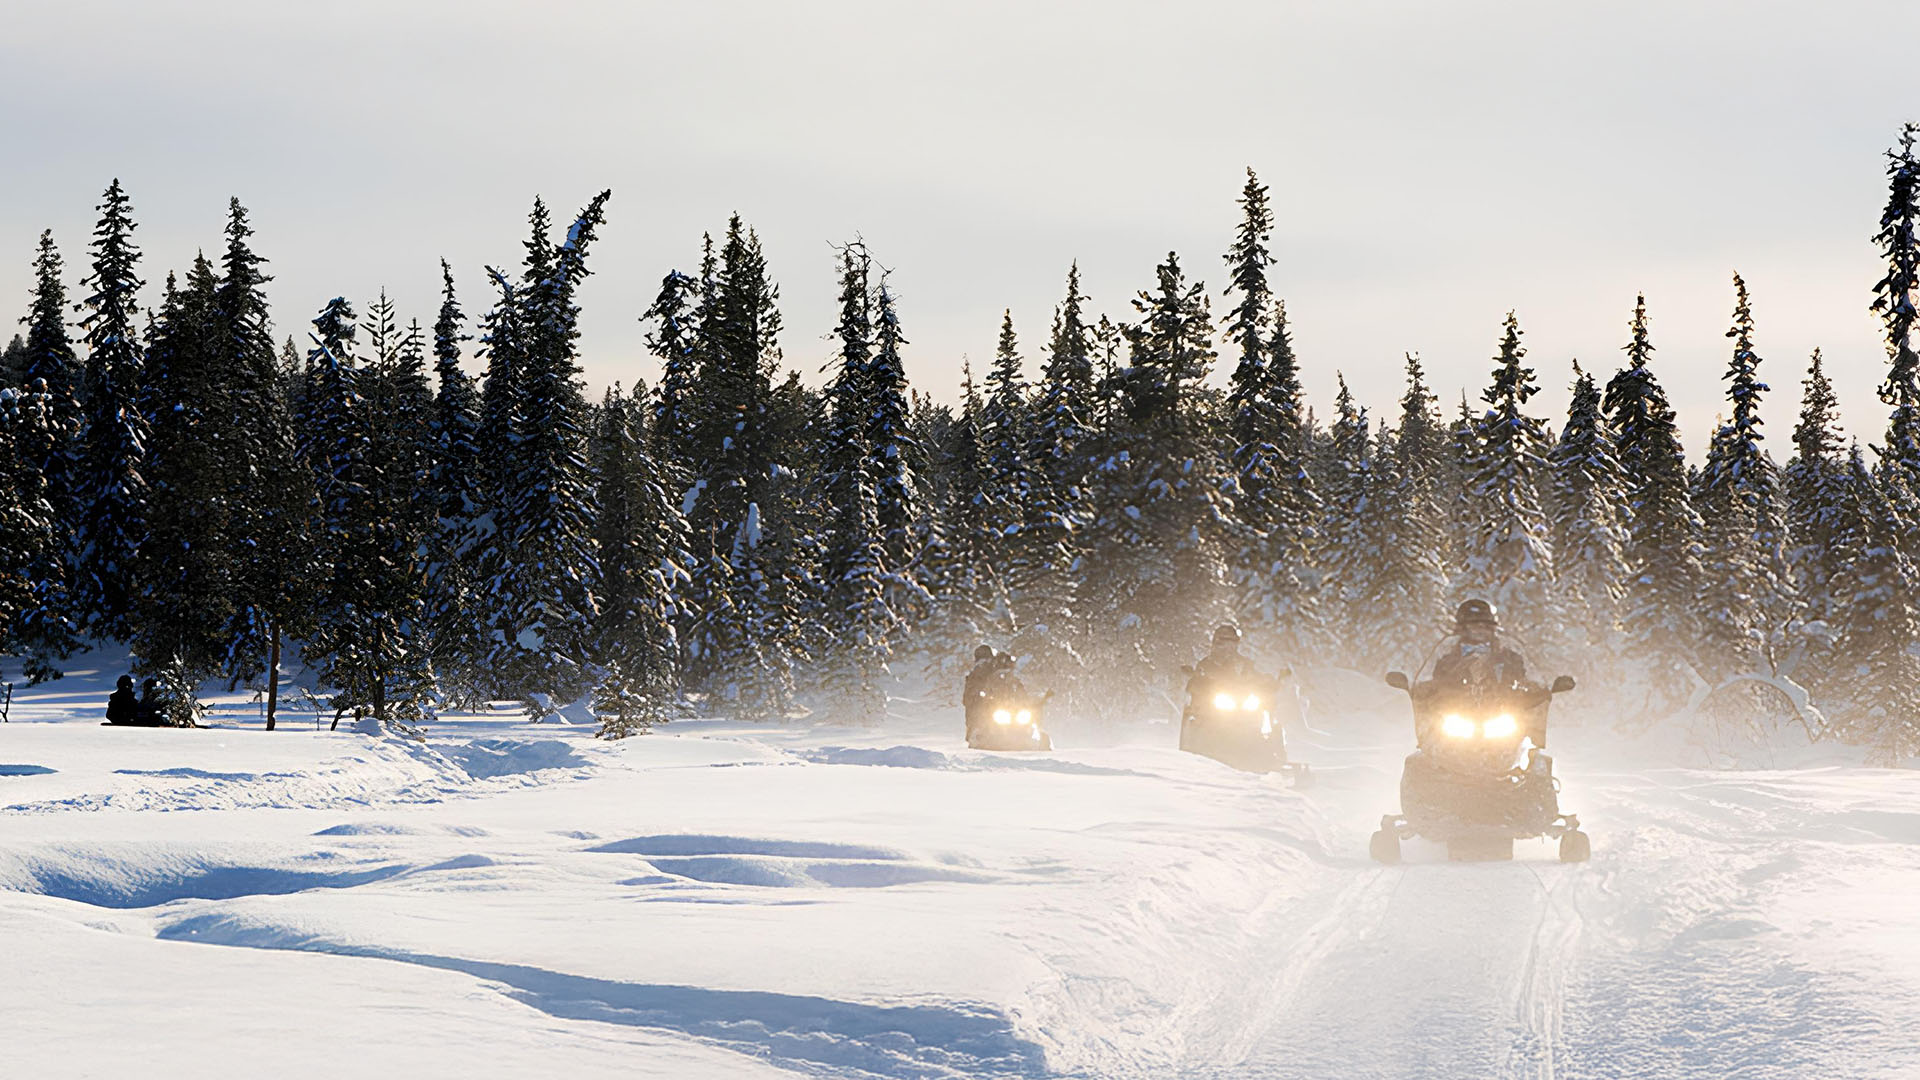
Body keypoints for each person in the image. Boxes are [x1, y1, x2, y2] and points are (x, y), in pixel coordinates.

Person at [1430, 600, 1528, 690]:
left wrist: (1530, 689)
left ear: (1492, 628)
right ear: (1462, 628)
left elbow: (1524, 681)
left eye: (1486, 626)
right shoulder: (1448, 661)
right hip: (1459, 706)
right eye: (1474, 626)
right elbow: (1436, 685)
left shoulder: (1509, 657)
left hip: (1502, 706)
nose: (1480, 630)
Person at [962, 645, 1022, 736]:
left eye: (987, 658)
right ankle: (975, 730)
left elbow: (1013, 683)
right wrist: (979, 695)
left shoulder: (998, 668)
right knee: (978, 712)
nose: (985, 661)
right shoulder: (976, 673)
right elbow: (970, 695)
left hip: (1003, 699)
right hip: (987, 702)